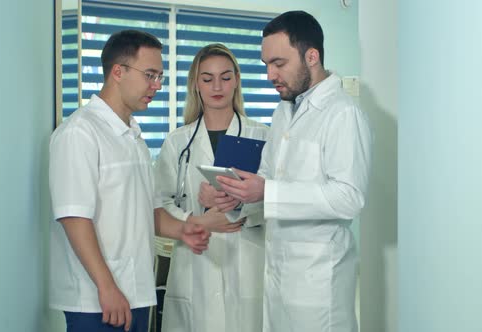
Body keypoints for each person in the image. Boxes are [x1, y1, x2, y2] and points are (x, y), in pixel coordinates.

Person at [215, 11, 373, 332]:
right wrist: (238, 196)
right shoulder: (284, 110)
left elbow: (349, 197)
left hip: (318, 284)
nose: (271, 74)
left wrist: (267, 192)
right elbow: (268, 175)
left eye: (279, 63)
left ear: (311, 56)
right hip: (278, 275)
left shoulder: (343, 114)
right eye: (266, 65)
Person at [48, 30, 215, 332]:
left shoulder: (134, 138)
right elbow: (74, 218)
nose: (156, 86)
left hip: (135, 293)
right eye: (150, 75)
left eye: (160, 77)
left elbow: (146, 211)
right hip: (96, 300)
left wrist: (182, 230)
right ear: (118, 72)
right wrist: (107, 286)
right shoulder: (79, 133)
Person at [154, 43, 270, 332]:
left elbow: (277, 199)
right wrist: (196, 215)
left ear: (237, 80)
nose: (217, 86)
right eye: (207, 78)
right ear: (196, 84)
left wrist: (240, 206)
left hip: (246, 262)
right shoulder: (177, 142)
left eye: (225, 77)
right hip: (194, 266)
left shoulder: (264, 136)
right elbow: (160, 204)